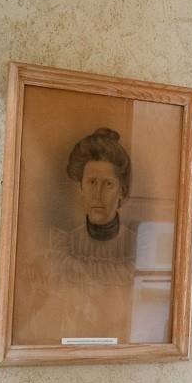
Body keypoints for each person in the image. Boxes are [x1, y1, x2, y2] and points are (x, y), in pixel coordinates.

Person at [35, 127, 137, 342]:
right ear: (80, 187)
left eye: (108, 184)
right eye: (91, 182)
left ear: (122, 191)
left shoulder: (136, 247)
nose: (97, 195)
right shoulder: (63, 247)